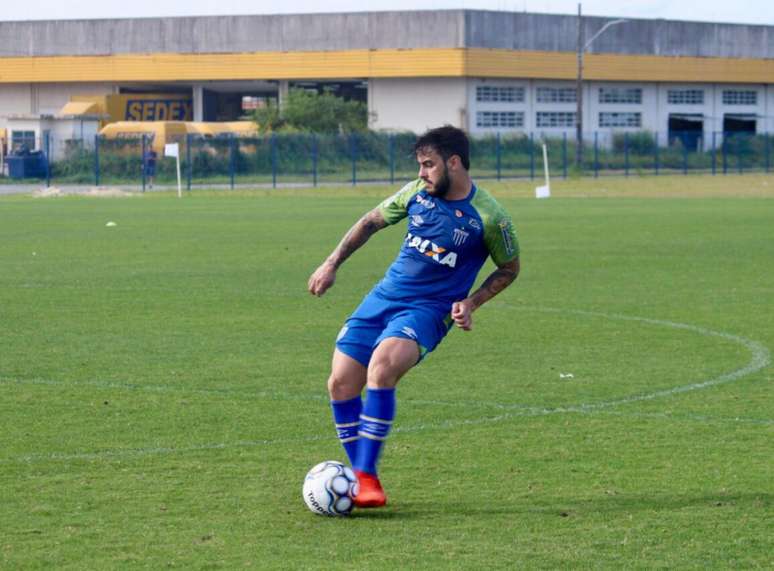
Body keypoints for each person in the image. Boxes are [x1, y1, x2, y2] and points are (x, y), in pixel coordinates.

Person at [307, 125, 520, 508]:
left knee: (382, 368)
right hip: (383, 297)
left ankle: (367, 480)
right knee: (339, 384)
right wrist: (331, 263)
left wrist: (472, 301)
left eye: (428, 164)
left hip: (428, 310)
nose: (422, 173)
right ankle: (359, 475)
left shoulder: (491, 217)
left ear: (453, 162)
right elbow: (370, 221)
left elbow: (509, 269)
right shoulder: (416, 193)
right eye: (420, 165)